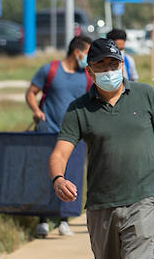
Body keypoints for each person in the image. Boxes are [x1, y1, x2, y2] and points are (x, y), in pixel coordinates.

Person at [50, 38, 154, 258]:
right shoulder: (79, 109)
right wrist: (59, 179)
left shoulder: (146, 95)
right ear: (89, 71)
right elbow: (59, 152)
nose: (109, 70)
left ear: (122, 64)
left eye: (113, 64)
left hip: (143, 198)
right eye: (101, 65)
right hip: (101, 204)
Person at [25, 34, 92, 238]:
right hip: (48, 130)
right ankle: (42, 220)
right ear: (77, 51)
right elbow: (31, 93)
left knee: (71, 175)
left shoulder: (87, 75)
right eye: (87, 53)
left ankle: (64, 220)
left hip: (74, 135)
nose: (88, 58)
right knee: (46, 175)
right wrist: (36, 111)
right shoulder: (50, 69)